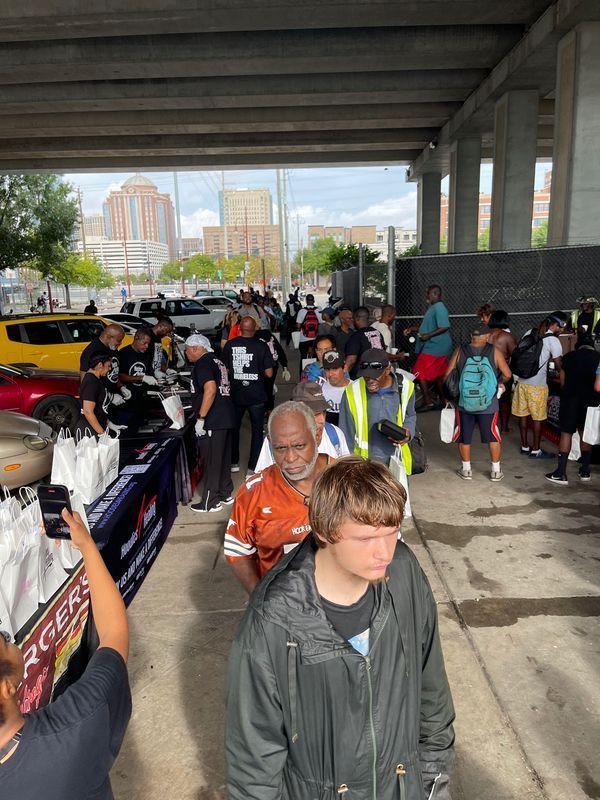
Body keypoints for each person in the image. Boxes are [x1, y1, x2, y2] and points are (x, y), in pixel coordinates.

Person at [226, 456, 455, 800]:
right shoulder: (273, 621)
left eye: (392, 533)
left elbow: (432, 695)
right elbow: (254, 758)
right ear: (323, 531)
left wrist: (433, 785)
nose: (385, 552)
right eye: (365, 538)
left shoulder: (405, 575)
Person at [0, 509, 131, 800]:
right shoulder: (78, 723)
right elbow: (114, 635)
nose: (11, 640)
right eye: (5, 639)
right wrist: (87, 546)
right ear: (5, 688)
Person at [224, 401, 331, 594]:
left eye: (299, 446)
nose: (290, 458)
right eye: (280, 448)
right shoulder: (253, 493)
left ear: (317, 436)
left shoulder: (348, 479)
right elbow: (237, 550)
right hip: (283, 609)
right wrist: (261, 600)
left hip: (342, 610)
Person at [445, 324, 512, 482]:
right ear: (487, 336)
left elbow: (447, 375)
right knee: (493, 435)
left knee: (464, 436)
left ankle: (466, 470)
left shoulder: (460, 351)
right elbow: (508, 374)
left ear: (471, 336)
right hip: (488, 403)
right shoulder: (494, 351)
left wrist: (449, 395)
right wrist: (499, 383)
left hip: (464, 402)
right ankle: (496, 471)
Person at [339, 348, 417, 467]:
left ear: (387, 370)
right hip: (364, 462)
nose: (370, 381)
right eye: (366, 376)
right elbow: (346, 433)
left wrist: (408, 432)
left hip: (396, 460)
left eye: (375, 376)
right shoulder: (352, 392)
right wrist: (348, 465)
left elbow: (410, 415)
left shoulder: (406, 387)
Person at [185, 334, 236, 512]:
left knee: (213, 460)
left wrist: (201, 418)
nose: (186, 353)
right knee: (222, 457)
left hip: (213, 418)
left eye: (187, 349)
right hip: (226, 415)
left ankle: (211, 501)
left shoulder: (203, 363)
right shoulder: (217, 360)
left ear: (196, 348)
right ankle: (225, 492)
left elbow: (211, 389)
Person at [254, 381, 349, 471]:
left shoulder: (335, 434)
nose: (322, 420)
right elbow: (263, 481)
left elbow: (346, 473)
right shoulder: (277, 439)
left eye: (323, 412)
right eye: (314, 414)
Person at [222, 315, 274, 476]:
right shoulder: (262, 346)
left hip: (236, 394)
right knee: (257, 431)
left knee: (234, 429)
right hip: (256, 395)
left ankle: (233, 462)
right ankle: (252, 468)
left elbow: (225, 370)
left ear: (240, 329)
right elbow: (269, 372)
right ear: (254, 329)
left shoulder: (230, 345)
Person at [545, 334, 600, 485]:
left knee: (566, 433)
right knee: (585, 433)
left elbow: (562, 383)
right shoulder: (598, 358)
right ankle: (585, 471)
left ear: (578, 345)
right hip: (590, 402)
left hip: (570, 400)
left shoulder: (569, 357)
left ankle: (561, 473)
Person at [512, 313, 566, 458]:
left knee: (522, 416)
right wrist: (562, 370)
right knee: (538, 418)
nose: (562, 329)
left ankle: (524, 446)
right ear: (556, 325)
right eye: (563, 326)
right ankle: (536, 450)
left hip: (522, 383)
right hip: (538, 386)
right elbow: (558, 364)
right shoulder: (553, 341)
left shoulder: (530, 332)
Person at [404, 285, 453, 410]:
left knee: (418, 371)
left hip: (435, 347)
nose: (427, 296)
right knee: (439, 375)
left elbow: (444, 326)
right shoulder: (434, 307)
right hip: (438, 346)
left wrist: (428, 335)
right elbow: (428, 326)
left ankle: (428, 401)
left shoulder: (439, 308)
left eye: (429, 294)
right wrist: (413, 329)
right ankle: (444, 401)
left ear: (436, 294)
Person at [116, 327, 159, 433]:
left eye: (148, 344)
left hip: (142, 401)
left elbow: (150, 374)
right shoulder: (124, 353)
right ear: (136, 339)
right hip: (127, 402)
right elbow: (119, 376)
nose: (146, 346)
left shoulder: (146, 354)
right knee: (128, 431)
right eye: (144, 343)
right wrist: (141, 378)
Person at [75, 352, 125, 438]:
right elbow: (88, 411)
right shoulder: (91, 382)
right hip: (89, 431)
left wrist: (110, 424)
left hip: (96, 427)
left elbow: (99, 408)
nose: (110, 369)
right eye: (108, 365)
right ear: (99, 365)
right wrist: (102, 434)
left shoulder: (97, 380)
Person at [487, 310, 517, 432]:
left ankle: (488, 425)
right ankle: (504, 427)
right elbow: (515, 355)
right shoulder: (507, 336)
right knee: (504, 402)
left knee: (488, 399)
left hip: (486, 371)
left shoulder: (485, 335)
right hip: (501, 372)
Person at [78, 323, 127, 399]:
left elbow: (114, 372)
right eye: (118, 340)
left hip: (114, 396)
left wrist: (121, 386)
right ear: (108, 337)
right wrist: (108, 397)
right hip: (100, 400)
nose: (120, 343)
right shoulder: (91, 351)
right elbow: (85, 382)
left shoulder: (112, 347)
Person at [343, 306, 386, 378]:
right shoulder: (377, 333)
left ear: (357, 319)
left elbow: (351, 361)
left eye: (353, 319)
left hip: (361, 377)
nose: (352, 321)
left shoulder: (356, 336)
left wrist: (343, 377)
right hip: (379, 374)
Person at [255, 327, 291, 413]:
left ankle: (261, 409)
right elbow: (280, 351)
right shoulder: (271, 337)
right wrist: (285, 367)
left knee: (260, 388)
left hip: (260, 366)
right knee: (268, 388)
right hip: (273, 366)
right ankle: (269, 411)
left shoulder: (255, 338)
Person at [321, 349, 351, 425]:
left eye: (335, 369)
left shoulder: (356, 389)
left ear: (345, 368)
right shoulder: (319, 390)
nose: (330, 374)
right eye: (327, 369)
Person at [296, 293, 323, 367]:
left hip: (303, 339)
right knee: (315, 359)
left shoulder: (302, 311)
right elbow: (322, 323)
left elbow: (298, 325)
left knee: (303, 358)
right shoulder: (318, 310)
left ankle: (302, 375)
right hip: (315, 339)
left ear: (306, 301)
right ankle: (314, 375)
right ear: (313, 300)